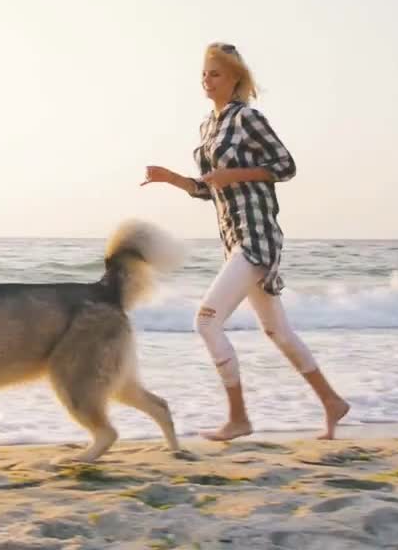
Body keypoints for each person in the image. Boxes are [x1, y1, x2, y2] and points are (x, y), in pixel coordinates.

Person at [141, 42, 350, 440]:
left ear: (235, 77)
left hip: (257, 236)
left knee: (206, 321)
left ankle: (239, 418)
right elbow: (207, 190)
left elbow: (284, 166)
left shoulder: (248, 119)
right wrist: (171, 178)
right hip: (234, 237)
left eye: (215, 73)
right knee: (278, 332)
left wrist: (235, 175)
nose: (207, 79)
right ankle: (332, 403)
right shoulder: (208, 128)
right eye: (204, 73)